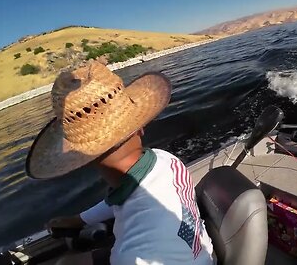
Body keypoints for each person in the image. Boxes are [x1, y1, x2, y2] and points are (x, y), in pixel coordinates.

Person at [25, 60, 215, 265]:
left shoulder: (131, 257)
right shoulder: (166, 160)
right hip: (205, 256)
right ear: (140, 127)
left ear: (82, 161)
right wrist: (79, 220)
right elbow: (121, 198)